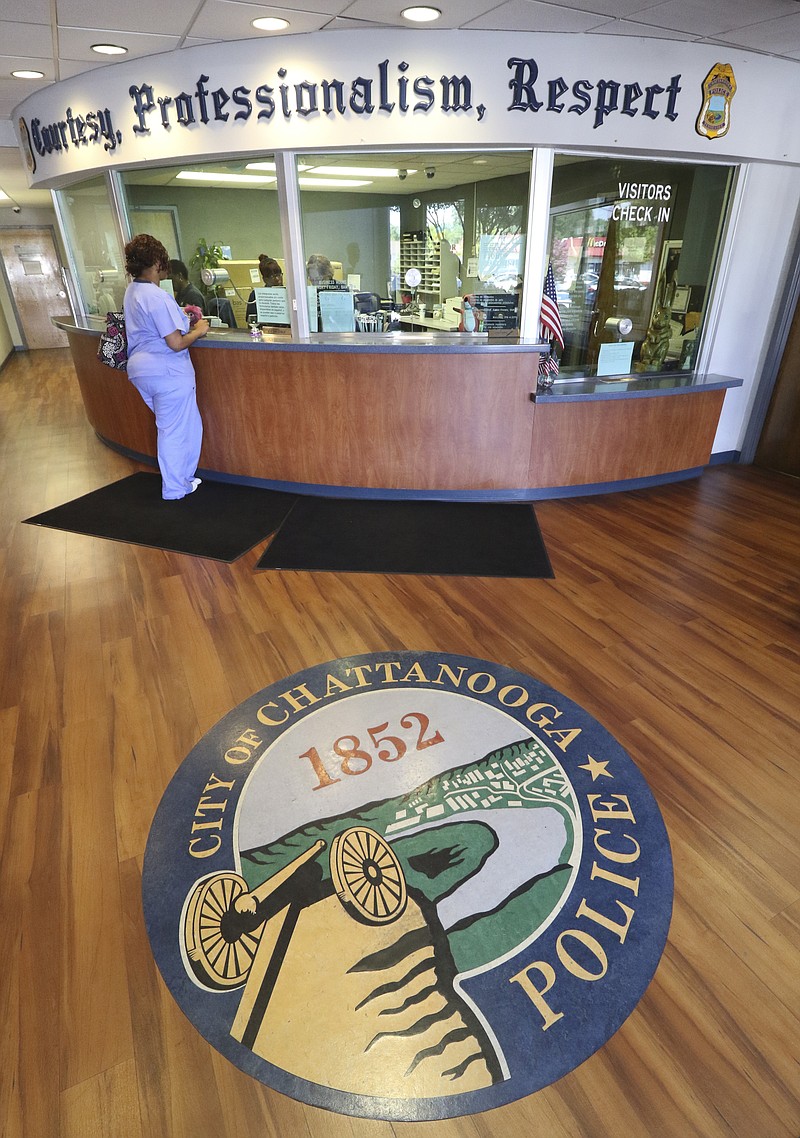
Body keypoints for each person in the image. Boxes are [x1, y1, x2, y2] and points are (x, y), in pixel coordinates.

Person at [123, 234, 210, 501]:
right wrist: (199, 331)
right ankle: (174, 488)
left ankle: (183, 479)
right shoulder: (156, 295)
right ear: (157, 261)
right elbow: (175, 342)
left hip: (141, 370)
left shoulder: (132, 291)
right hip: (167, 372)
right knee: (175, 430)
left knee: (182, 427)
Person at [245, 254, 283, 324]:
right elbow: (251, 320)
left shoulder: (288, 292)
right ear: (265, 279)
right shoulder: (256, 295)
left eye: (279, 274)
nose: (278, 280)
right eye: (273, 276)